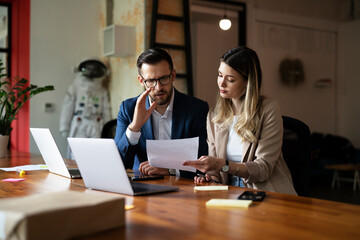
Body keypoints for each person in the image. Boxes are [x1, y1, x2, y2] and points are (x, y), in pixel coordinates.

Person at [183, 46, 297, 195]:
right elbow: (216, 171)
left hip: (264, 191)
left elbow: (263, 169)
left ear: (247, 82)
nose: (221, 83)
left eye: (230, 79)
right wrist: (210, 178)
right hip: (229, 191)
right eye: (219, 75)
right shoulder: (214, 115)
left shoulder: (268, 109)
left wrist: (222, 165)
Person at [115, 48, 209, 179]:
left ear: (173, 75)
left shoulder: (197, 109)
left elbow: (204, 163)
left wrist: (170, 170)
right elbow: (118, 164)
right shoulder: (128, 109)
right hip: (143, 186)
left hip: (183, 188)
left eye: (164, 78)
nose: (158, 87)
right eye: (151, 81)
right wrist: (135, 126)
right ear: (141, 81)